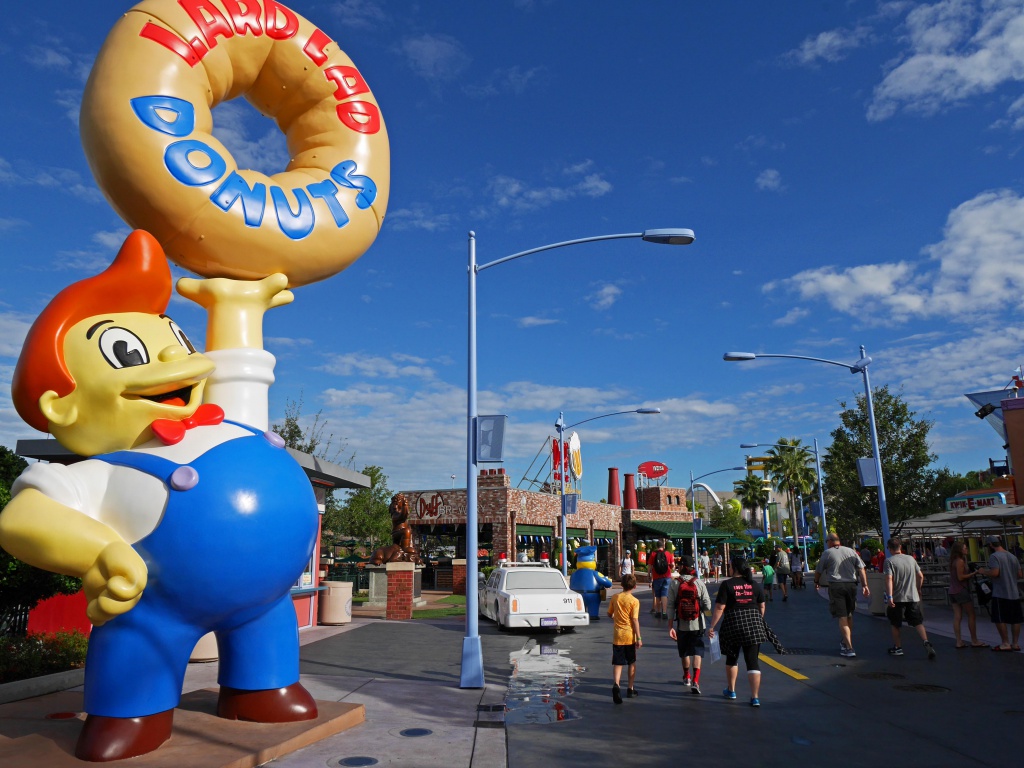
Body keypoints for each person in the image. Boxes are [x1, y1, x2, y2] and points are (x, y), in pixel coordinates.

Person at [708, 557, 767, 707]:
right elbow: (762, 606)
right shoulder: (754, 584)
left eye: (730, 566)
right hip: (754, 625)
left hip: (733, 625)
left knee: (732, 658)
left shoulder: (727, 585)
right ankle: (755, 697)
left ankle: (731, 690)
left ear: (734, 568)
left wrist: (712, 626)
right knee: (752, 661)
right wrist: (758, 620)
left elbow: (720, 608)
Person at [814, 533, 870, 657]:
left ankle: (849, 648)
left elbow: (819, 570)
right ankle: (846, 641)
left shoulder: (827, 553)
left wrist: (816, 582)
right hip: (851, 585)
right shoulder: (851, 551)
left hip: (836, 586)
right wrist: (865, 585)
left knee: (842, 616)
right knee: (849, 615)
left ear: (830, 541)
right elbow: (861, 568)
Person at [882, 538, 936, 659]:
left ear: (889, 548)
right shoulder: (911, 559)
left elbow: (889, 579)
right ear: (900, 547)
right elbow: (920, 576)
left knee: (895, 623)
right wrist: (918, 588)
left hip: (898, 597)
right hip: (913, 596)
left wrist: (890, 596)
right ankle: (926, 641)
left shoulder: (889, 561)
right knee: (917, 621)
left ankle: (898, 647)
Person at [667, 555, 712, 695]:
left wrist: (670, 626)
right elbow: (708, 605)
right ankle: (696, 680)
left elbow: (669, 606)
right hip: (698, 624)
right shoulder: (699, 583)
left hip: (682, 624)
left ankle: (686, 676)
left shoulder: (675, 583)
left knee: (684, 651)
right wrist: (704, 614)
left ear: (681, 567)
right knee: (697, 652)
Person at [978, 535, 1023, 652]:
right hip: (1014, 592)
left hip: (1000, 592)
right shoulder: (1012, 556)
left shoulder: (994, 556)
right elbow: (1019, 575)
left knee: (999, 618)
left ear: (991, 545)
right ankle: (1015, 643)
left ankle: (1005, 642)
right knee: (1016, 619)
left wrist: (983, 571)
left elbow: (995, 573)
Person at [607, 573, 642, 703]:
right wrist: (639, 638)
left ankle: (616, 684)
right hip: (629, 636)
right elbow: (635, 620)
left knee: (618, 662)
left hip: (618, 635)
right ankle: (630, 688)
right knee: (631, 662)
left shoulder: (615, 597)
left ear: (621, 585)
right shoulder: (634, 601)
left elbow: (609, 613)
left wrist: (616, 618)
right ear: (634, 586)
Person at [948, 541, 986, 648]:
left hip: (952, 590)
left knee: (957, 616)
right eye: (964, 548)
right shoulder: (959, 561)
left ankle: (959, 641)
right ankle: (974, 640)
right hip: (961, 590)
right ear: (960, 550)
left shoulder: (953, 561)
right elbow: (961, 577)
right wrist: (974, 573)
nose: (966, 549)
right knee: (971, 615)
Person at [649, 539, 675, 619]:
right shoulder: (668, 554)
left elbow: (650, 565)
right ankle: (664, 612)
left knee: (657, 595)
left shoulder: (653, 554)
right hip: (666, 576)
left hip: (656, 577)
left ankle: (658, 611)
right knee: (664, 594)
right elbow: (673, 565)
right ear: (663, 546)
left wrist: (649, 574)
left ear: (657, 546)